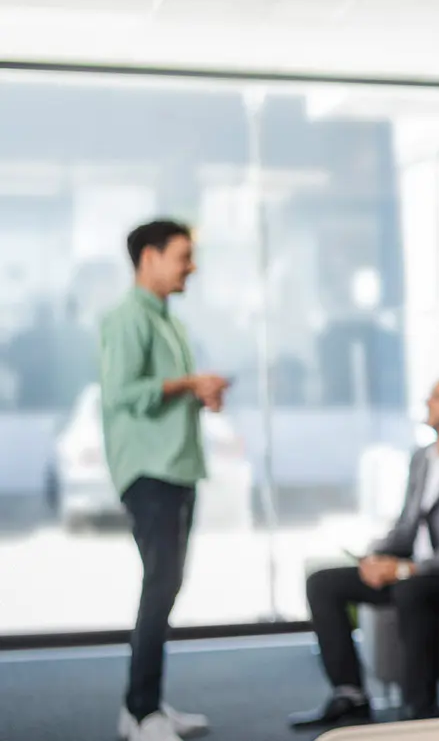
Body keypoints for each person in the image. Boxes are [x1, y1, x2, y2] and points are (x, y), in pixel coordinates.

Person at [293, 371, 439, 727]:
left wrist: (408, 569)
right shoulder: (422, 458)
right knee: (322, 583)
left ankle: (421, 712)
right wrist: (375, 557)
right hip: (412, 570)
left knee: (412, 590)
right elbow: (406, 526)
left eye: (438, 397)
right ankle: (350, 696)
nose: (428, 402)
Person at [101, 219, 228, 741]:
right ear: (149, 257)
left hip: (177, 466)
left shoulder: (167, 320)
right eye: (183, 257)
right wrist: (188, 383)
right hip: (149, 471)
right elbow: (122, 393)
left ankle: (145, 703)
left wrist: (198, 392)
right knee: (159, 586)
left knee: (166, 586)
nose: (191, 268)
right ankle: (141, 713)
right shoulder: (127, 317)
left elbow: (163, 391)